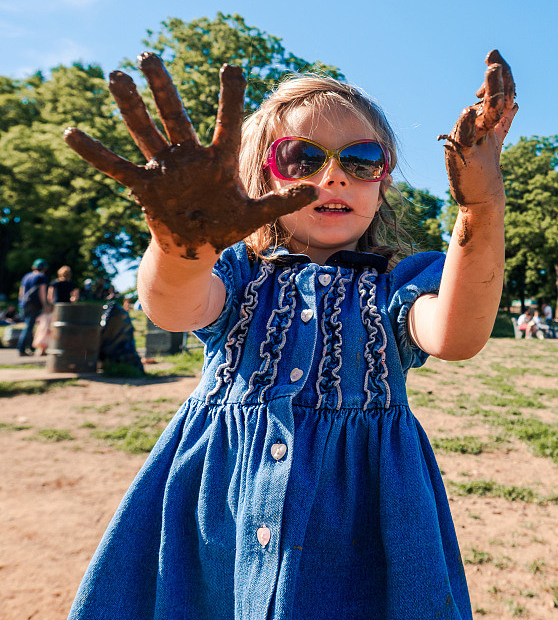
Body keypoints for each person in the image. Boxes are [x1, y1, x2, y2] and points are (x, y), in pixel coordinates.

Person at [63, 49, 517, 619]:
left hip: (357, 524)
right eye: (302, 157)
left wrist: (481, 206)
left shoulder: (398, 285)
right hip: (217, 511)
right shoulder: (236, 272)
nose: (333, 176)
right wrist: (182, 241)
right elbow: (172, 308)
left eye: (361, 159)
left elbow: (456, 334)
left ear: (383, 182)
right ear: (256, 179)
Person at [17, 259, 49, 356]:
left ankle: (30, 347)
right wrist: (45, 305)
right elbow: (42, 292)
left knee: (29, 325)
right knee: (29, 326)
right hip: (33, 304)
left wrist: (21, 302)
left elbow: (21, 291)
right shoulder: (41, 277)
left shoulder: (26, 276)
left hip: (24, 303)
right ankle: (21, 348)